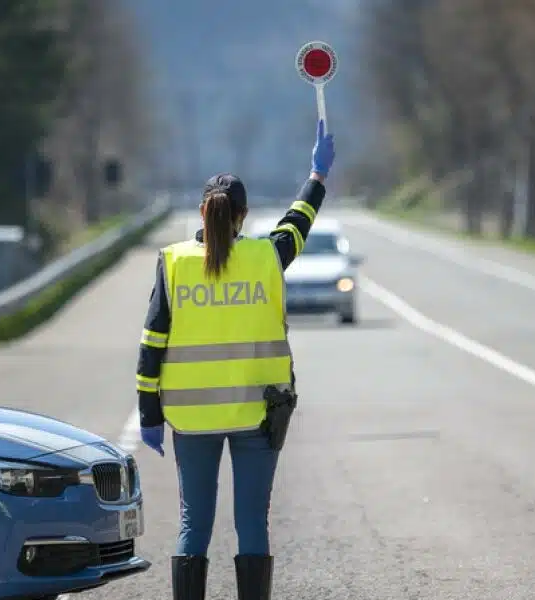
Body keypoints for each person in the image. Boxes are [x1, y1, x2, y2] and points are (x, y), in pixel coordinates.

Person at [134, 120, 335, 600]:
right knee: (251, 524)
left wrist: (149, 415)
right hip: (256, 414)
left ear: (204, 213)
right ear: (242, 215)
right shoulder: (267, 256)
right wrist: (317, 174)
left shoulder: (174, 261)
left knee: (193, 526)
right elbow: (299, 219)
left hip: (192, 417)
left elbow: (151, 343)